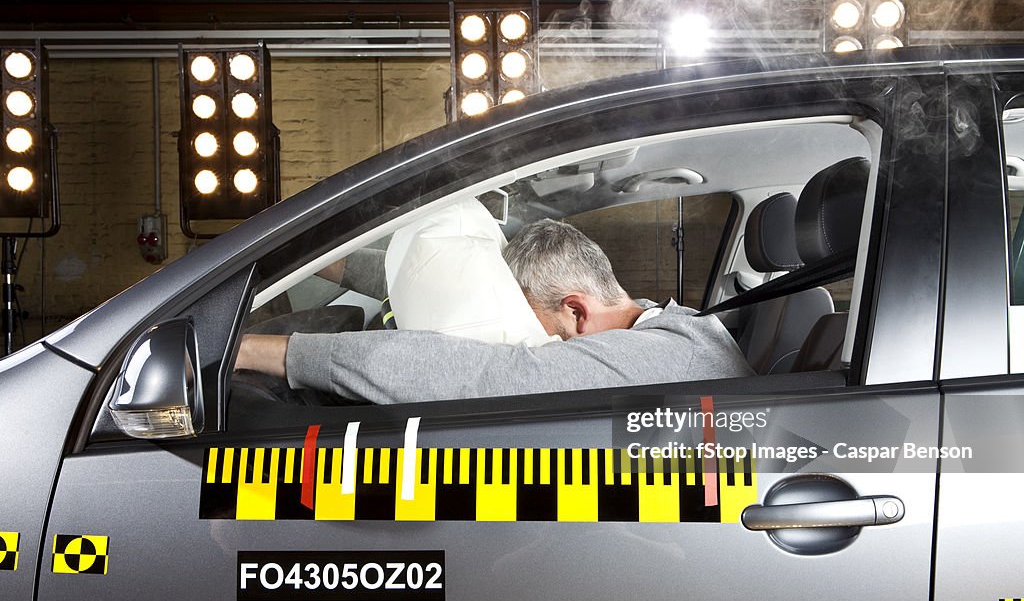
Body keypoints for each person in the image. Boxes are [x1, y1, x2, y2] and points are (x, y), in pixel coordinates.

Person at [235, 219, 753, 403]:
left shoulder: (648, 359)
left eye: (531, 328)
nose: (530, 340)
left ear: (574, 310)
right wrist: (322, 262)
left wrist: (253, 349)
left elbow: (484, 374)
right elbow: (442, 293)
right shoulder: (671, 327)